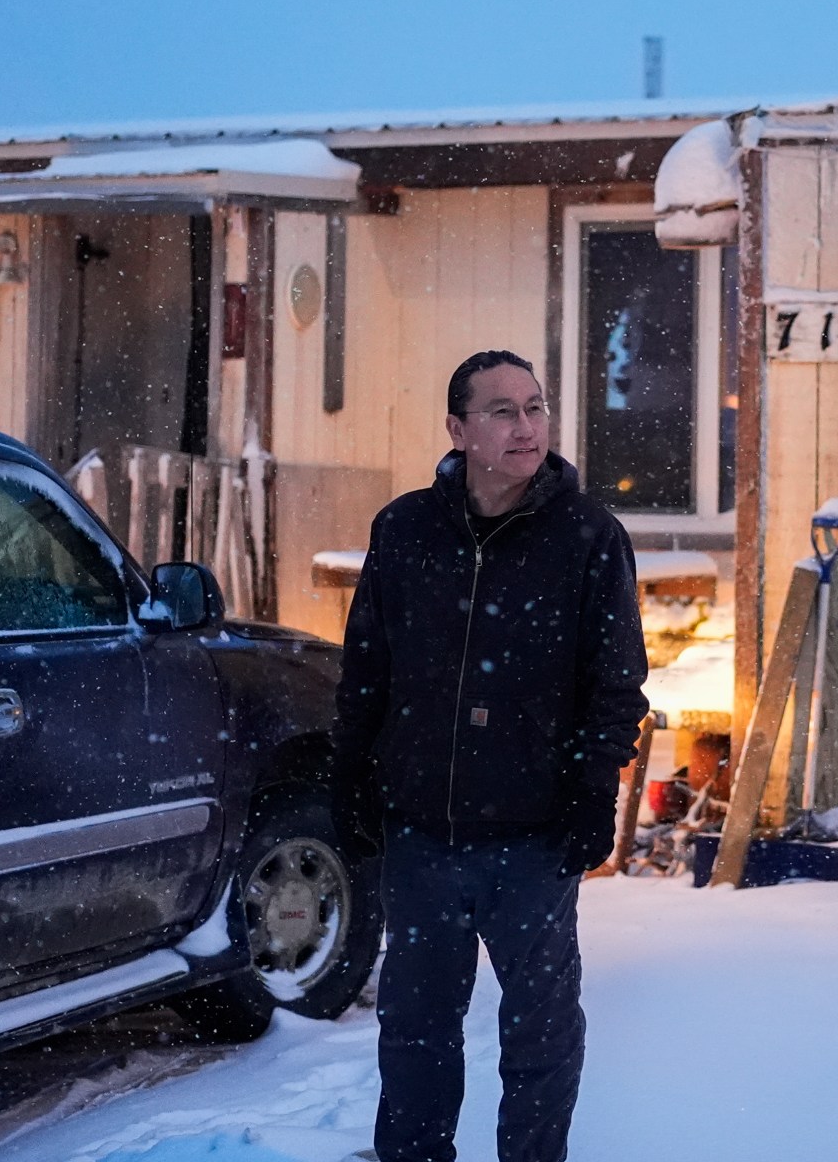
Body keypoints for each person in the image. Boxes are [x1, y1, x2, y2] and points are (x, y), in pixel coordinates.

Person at [333, 349, 649, 1162]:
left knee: (540, 1038)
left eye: (536, 407)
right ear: (458, 428)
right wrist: (352, 776)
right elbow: (368, 667)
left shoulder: (586, 537)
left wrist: (591, 793)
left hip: (532, 838)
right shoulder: (404, 529)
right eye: (503, 410)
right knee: (414, 1038)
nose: (526, 426)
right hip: (423, 836)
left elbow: (616, 684)